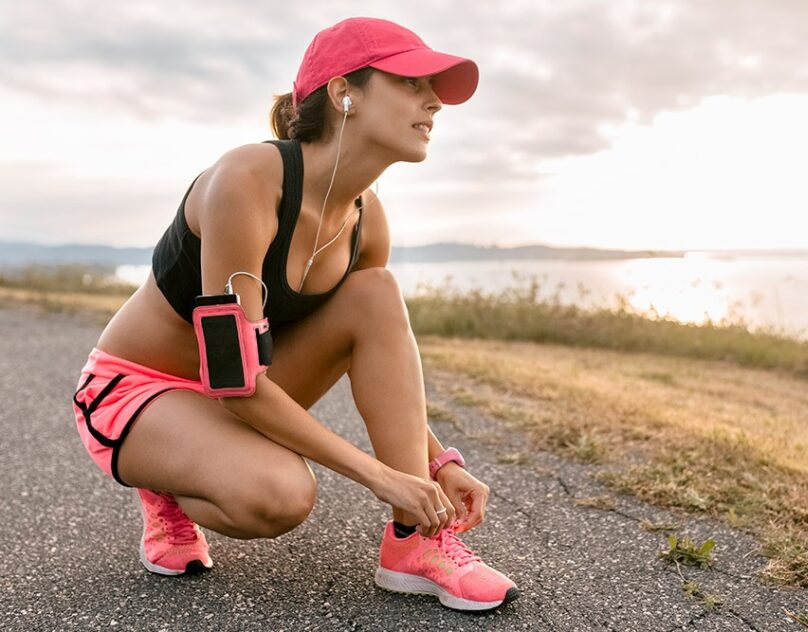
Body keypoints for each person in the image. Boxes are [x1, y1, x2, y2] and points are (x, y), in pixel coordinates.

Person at [70, 16, 520, 612]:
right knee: (279, 495)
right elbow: (236, 380)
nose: (434, 101)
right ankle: (169, 482)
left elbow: (380, 362)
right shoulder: (248, 181)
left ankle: (415, 543)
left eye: (433, 89)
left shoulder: (368, 222)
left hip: (232, 389)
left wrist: (434, 466)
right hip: (137, 391)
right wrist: (380, 476)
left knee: (375, 293)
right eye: (412, 83)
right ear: (344, 93)